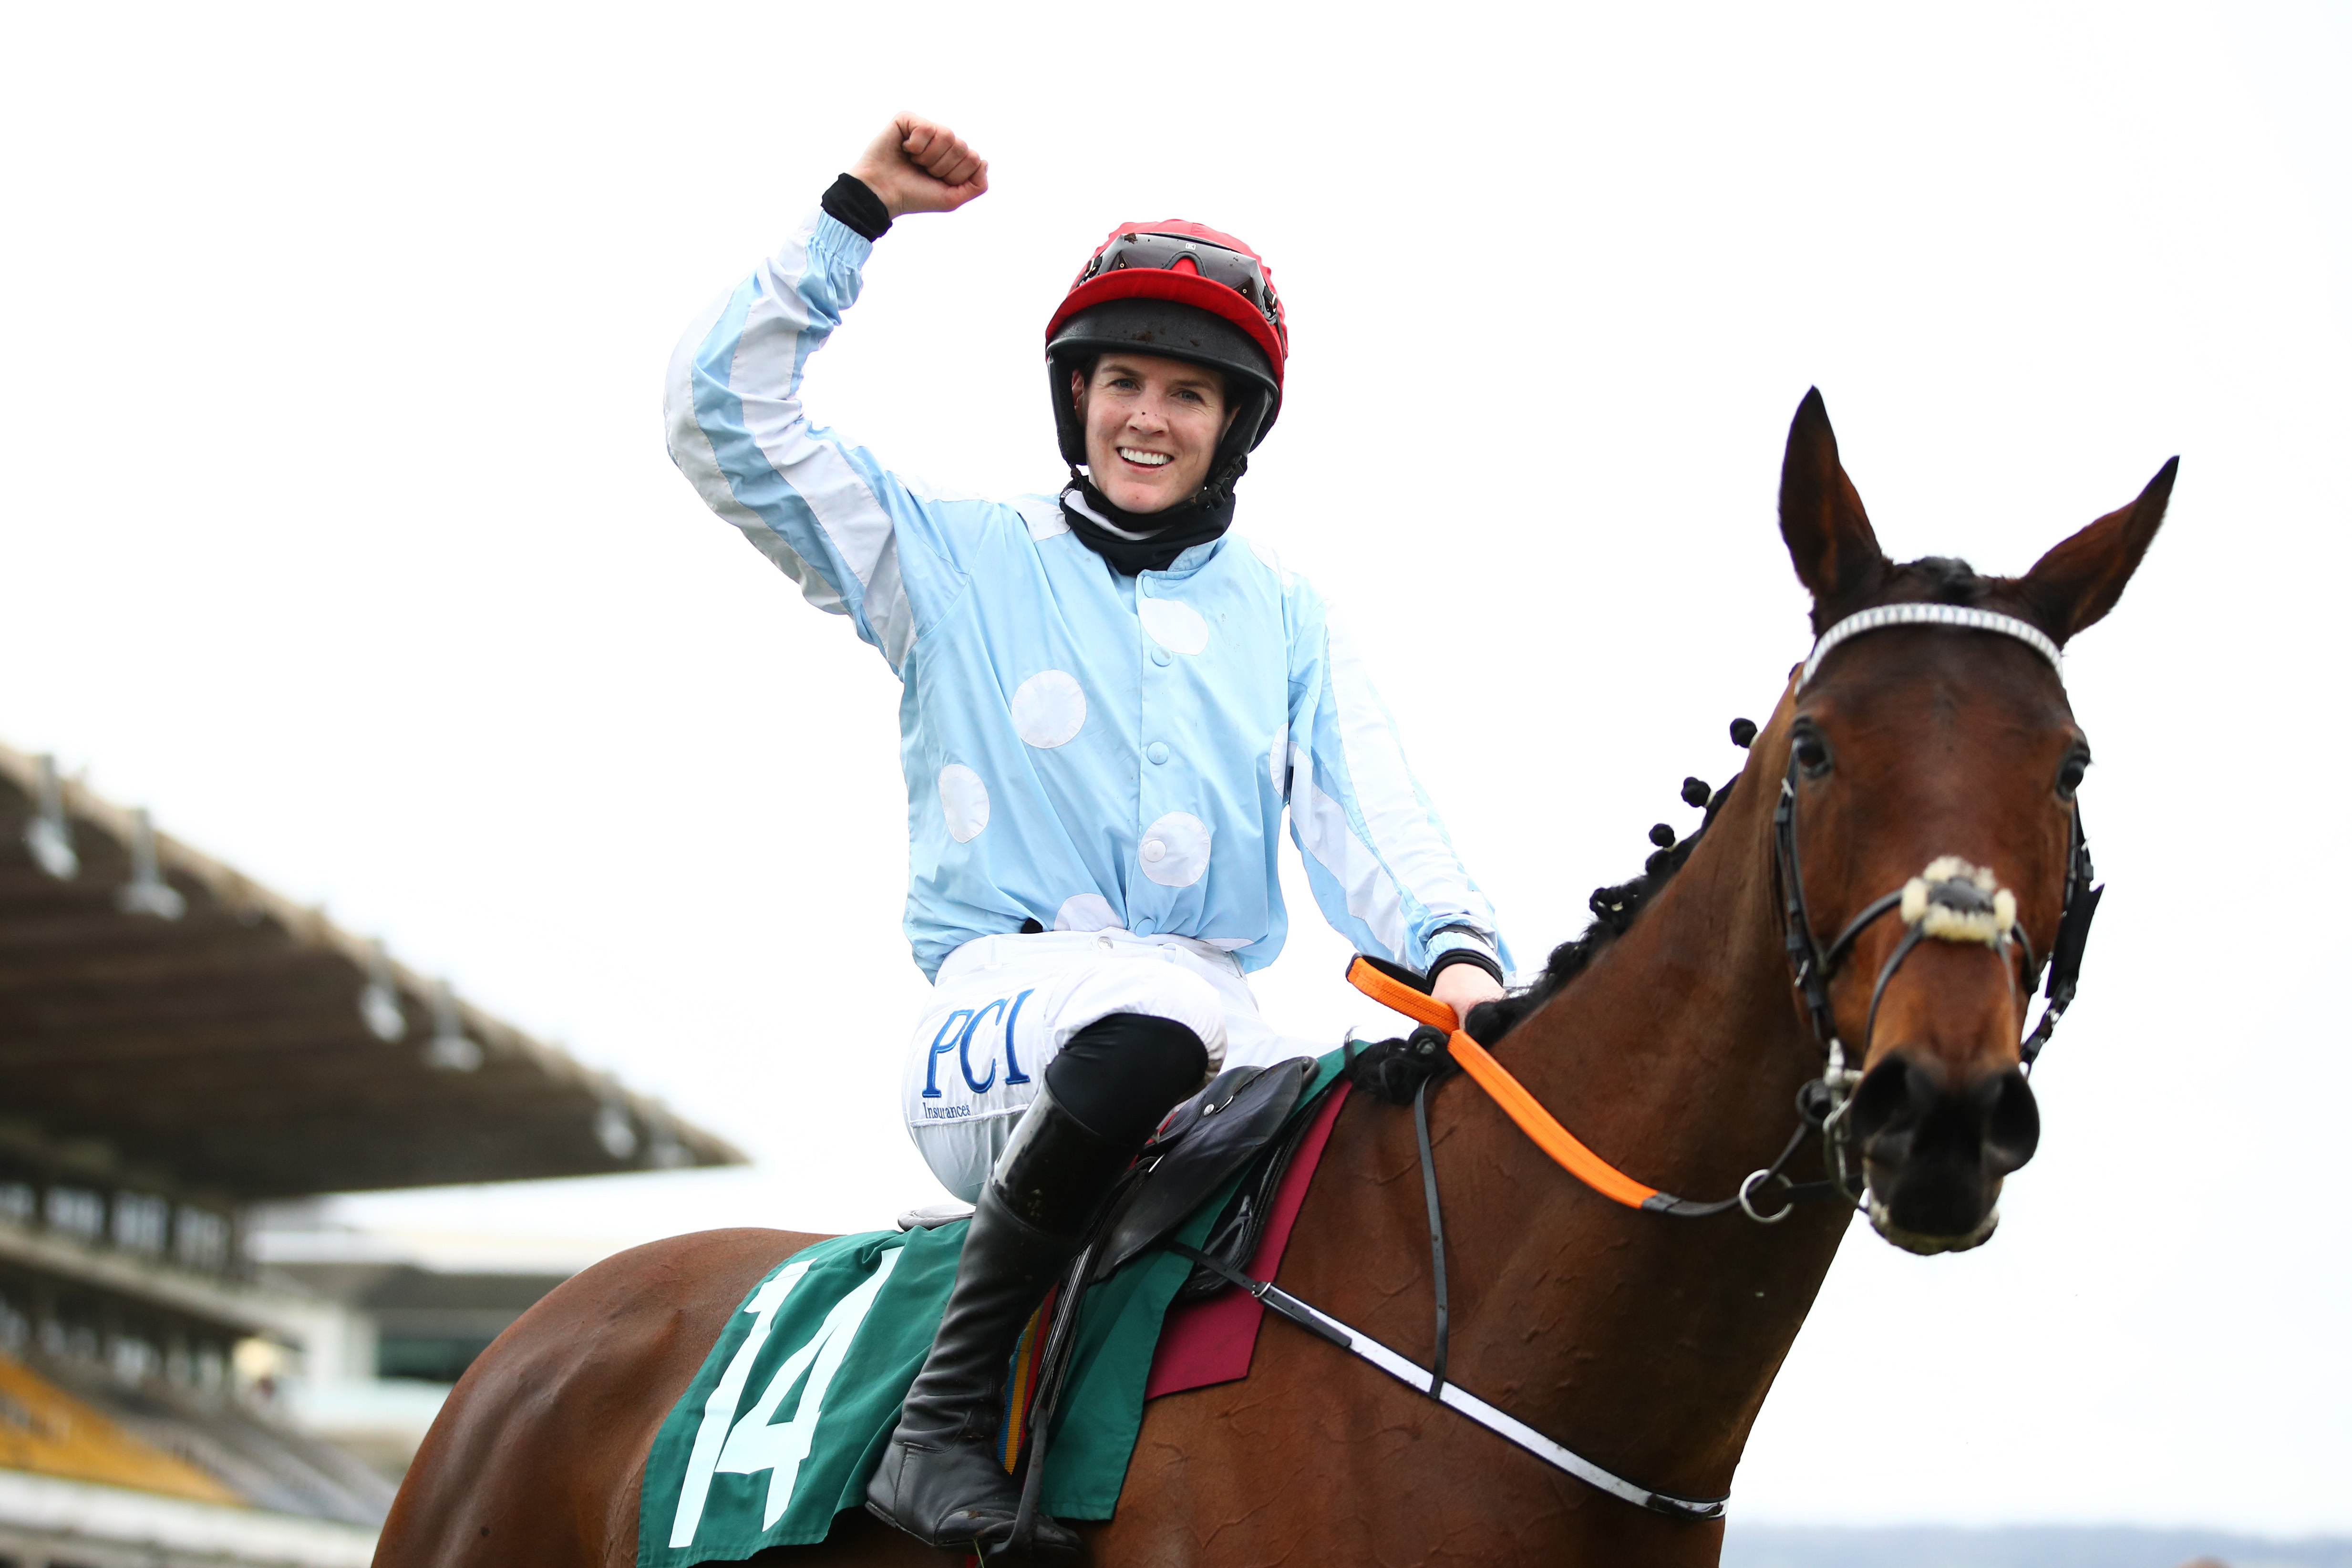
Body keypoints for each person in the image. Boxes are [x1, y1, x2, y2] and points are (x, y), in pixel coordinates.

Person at [663, 113, 1510, 1556]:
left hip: (1213, 1033)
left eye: (1189, 394)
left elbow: (1376, 815)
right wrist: (852, 216)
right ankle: (936, 1425)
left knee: (1365, 1130)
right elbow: (720, 419)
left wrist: (1462, 958)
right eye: (1123, 380)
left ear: (1233, 424)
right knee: (1151, 1014)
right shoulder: (942, 557)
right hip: (997, 1021)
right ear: (1076, 396)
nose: (1148, 418)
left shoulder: (1285, 615)